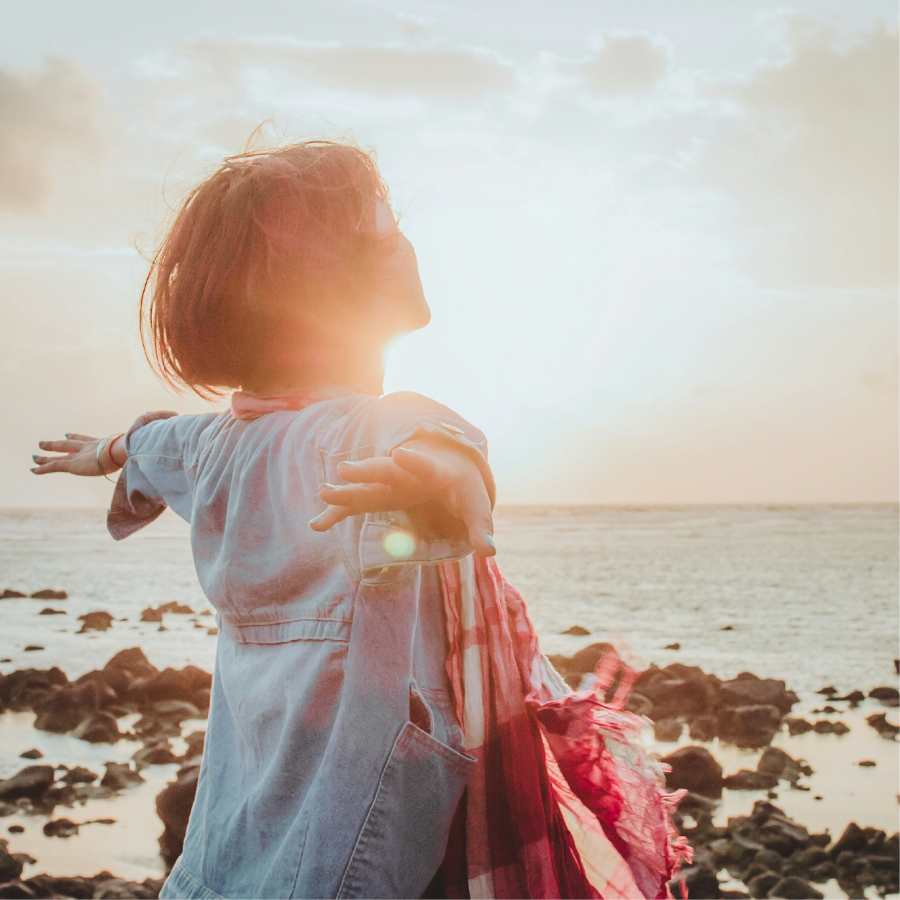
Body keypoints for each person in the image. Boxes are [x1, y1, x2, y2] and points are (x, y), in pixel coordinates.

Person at [30, 140, 502, 899]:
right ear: (321, 282)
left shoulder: (215, 444)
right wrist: (437, 484)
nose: (403, 235)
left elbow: (149, 445)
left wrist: (102, 451)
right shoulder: (373, 431)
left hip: (237, 840)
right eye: (382, 220)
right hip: (358, 847)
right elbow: (450, 462)